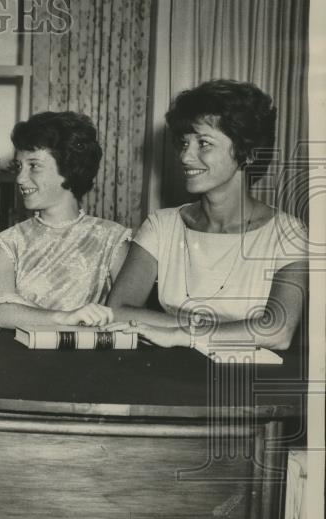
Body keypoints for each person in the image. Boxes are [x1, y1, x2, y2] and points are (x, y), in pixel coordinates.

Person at [108, 79, 308, 350]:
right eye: (184, 143)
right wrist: (239, 332)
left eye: (203, 143)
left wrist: (180, 335)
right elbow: (117, 310)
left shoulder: (288, 234)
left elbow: (278, 331)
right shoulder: (161, 225)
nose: (185, 156)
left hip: (243, 381)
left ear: (247, 153)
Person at [0, 112, 130, 329]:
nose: (20, 178)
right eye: (19, 167)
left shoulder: (113, 239)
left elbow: (128, 315)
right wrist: (65, 317)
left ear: (68, 169)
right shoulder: (9, 243)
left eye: (33, 166)